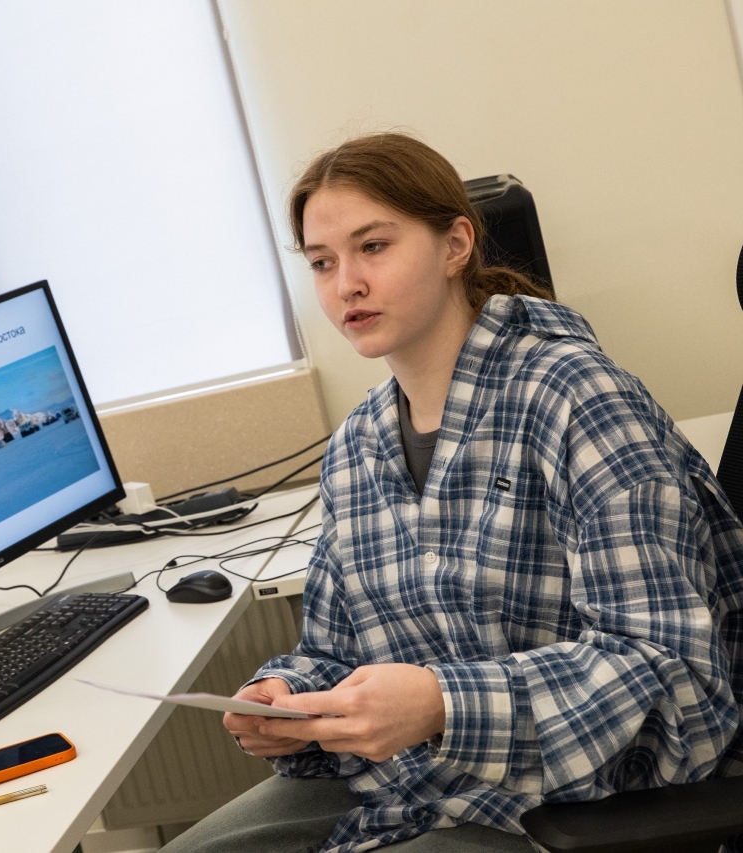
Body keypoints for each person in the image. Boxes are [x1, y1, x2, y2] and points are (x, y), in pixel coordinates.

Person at [162, 133, 743, 852]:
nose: (346, 284)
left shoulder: (576, 398)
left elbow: (672, 673)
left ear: (456, 245)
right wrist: (284, 697)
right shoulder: (356, 448)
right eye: (322, 262)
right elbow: (335, 651)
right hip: (411, 782)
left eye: (373, 246)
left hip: (572, 800)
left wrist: (443, 705)